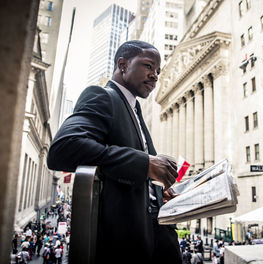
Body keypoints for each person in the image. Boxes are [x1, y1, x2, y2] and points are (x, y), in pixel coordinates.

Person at [47, 40, 181, 263]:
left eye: (158, 70)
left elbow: (126, 171)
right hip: (127, 243)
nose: (155, 76)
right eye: (148, 66)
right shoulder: (102, 96)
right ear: (123, 64)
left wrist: (155, 190)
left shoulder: (134, 109)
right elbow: (64, 147)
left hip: (156, 235)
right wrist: (144, 164)